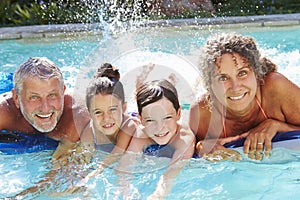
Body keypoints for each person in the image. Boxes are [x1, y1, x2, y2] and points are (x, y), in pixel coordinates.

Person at [189, 33, 300, 161]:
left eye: (242, 73)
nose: (235, 87)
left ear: (256, 74)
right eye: (223, 78)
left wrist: (277, 126)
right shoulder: (202, 115)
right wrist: (199, 146)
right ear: (209, 85)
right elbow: (176, 148)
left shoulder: (277, 88)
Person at [1, 57, 90, 197]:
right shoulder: (5, 112)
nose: (45, 108)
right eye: (34, 97)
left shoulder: (75, 117)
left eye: (52, 95)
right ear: (17, 98)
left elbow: (59, 177)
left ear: (63, 91)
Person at [117, 79, 195, 199]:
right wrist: (126, 193)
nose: (160, 128)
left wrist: (156, 196)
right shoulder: (142, 134)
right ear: (141, 119)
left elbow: (171, 173)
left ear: (178, 114)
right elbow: (126, 165)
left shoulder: (184, 138)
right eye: (150, 120)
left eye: (167, 117)